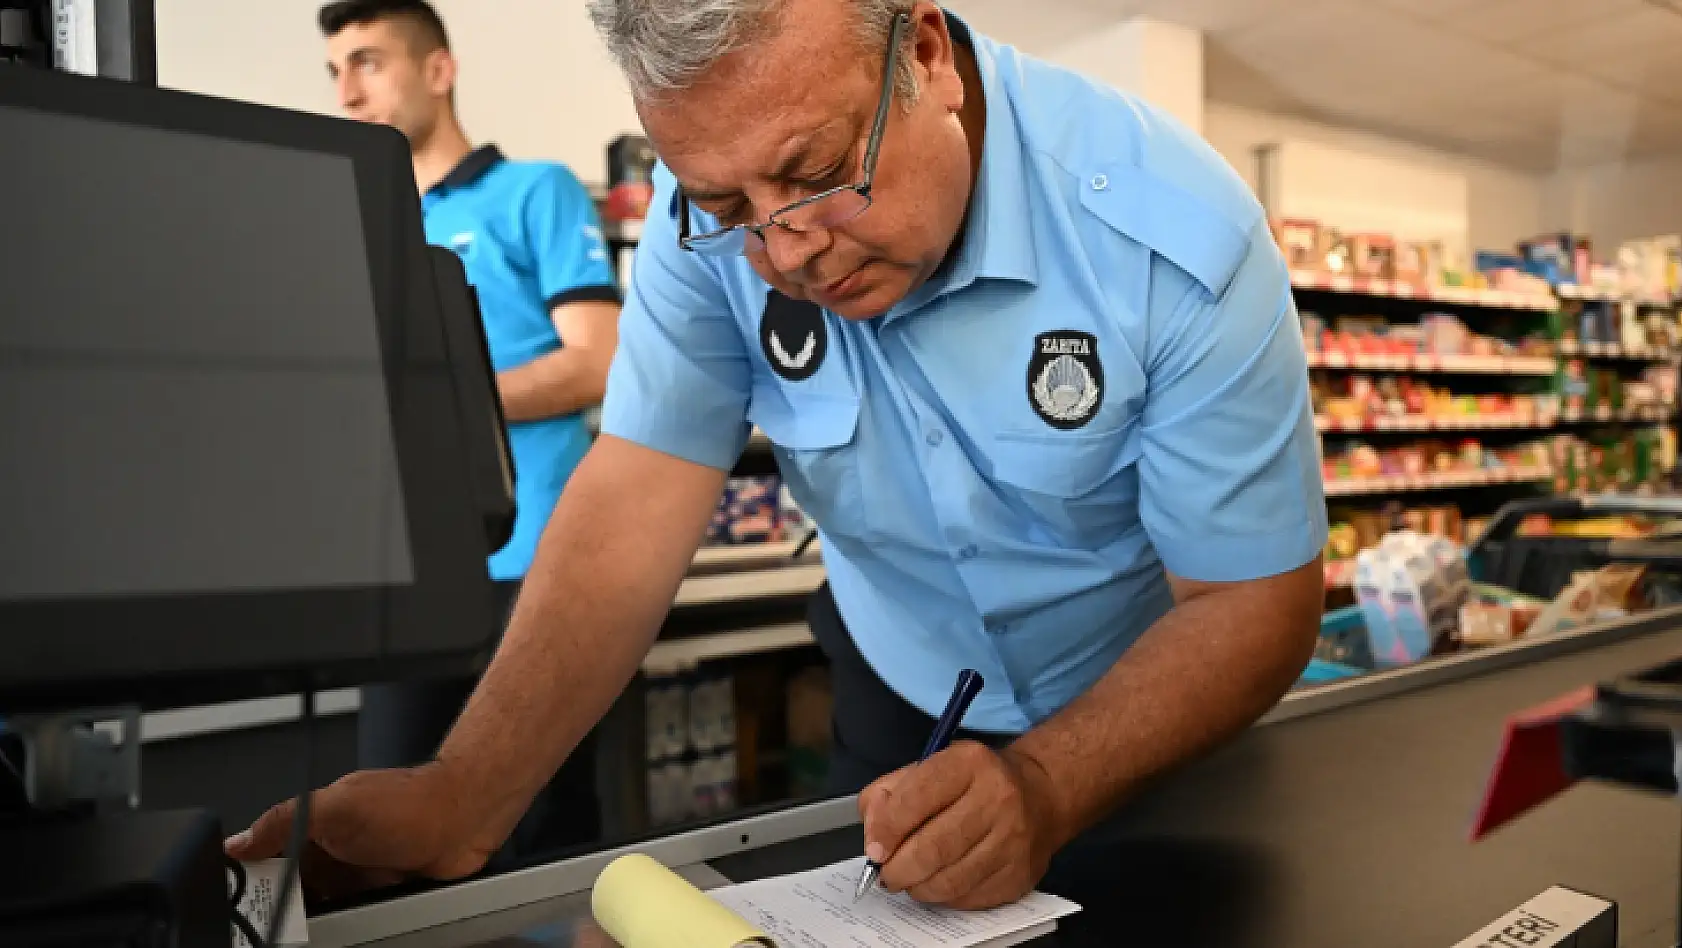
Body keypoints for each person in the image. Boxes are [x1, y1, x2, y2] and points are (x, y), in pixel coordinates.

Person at [230, 0, 1327, 910]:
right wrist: (463, 793)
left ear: (929, 57)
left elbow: (1247, 604)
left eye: (812, 173)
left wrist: (1042, 784)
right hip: (902, 693)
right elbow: (636, 490)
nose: (781, 250)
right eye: (723, 204)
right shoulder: (701, 225)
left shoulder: (1171, 235)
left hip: (1147, 717)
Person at [317, 0, 622, 861]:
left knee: (536, 841)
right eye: (335, 70)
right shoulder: (362, 223)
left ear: (439, 70)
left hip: (533, 564)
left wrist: (432, 397)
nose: (346, 90)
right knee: (375, 833)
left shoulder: (536, 191)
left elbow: (595, 361)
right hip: (407, 567)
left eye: (368, 61)